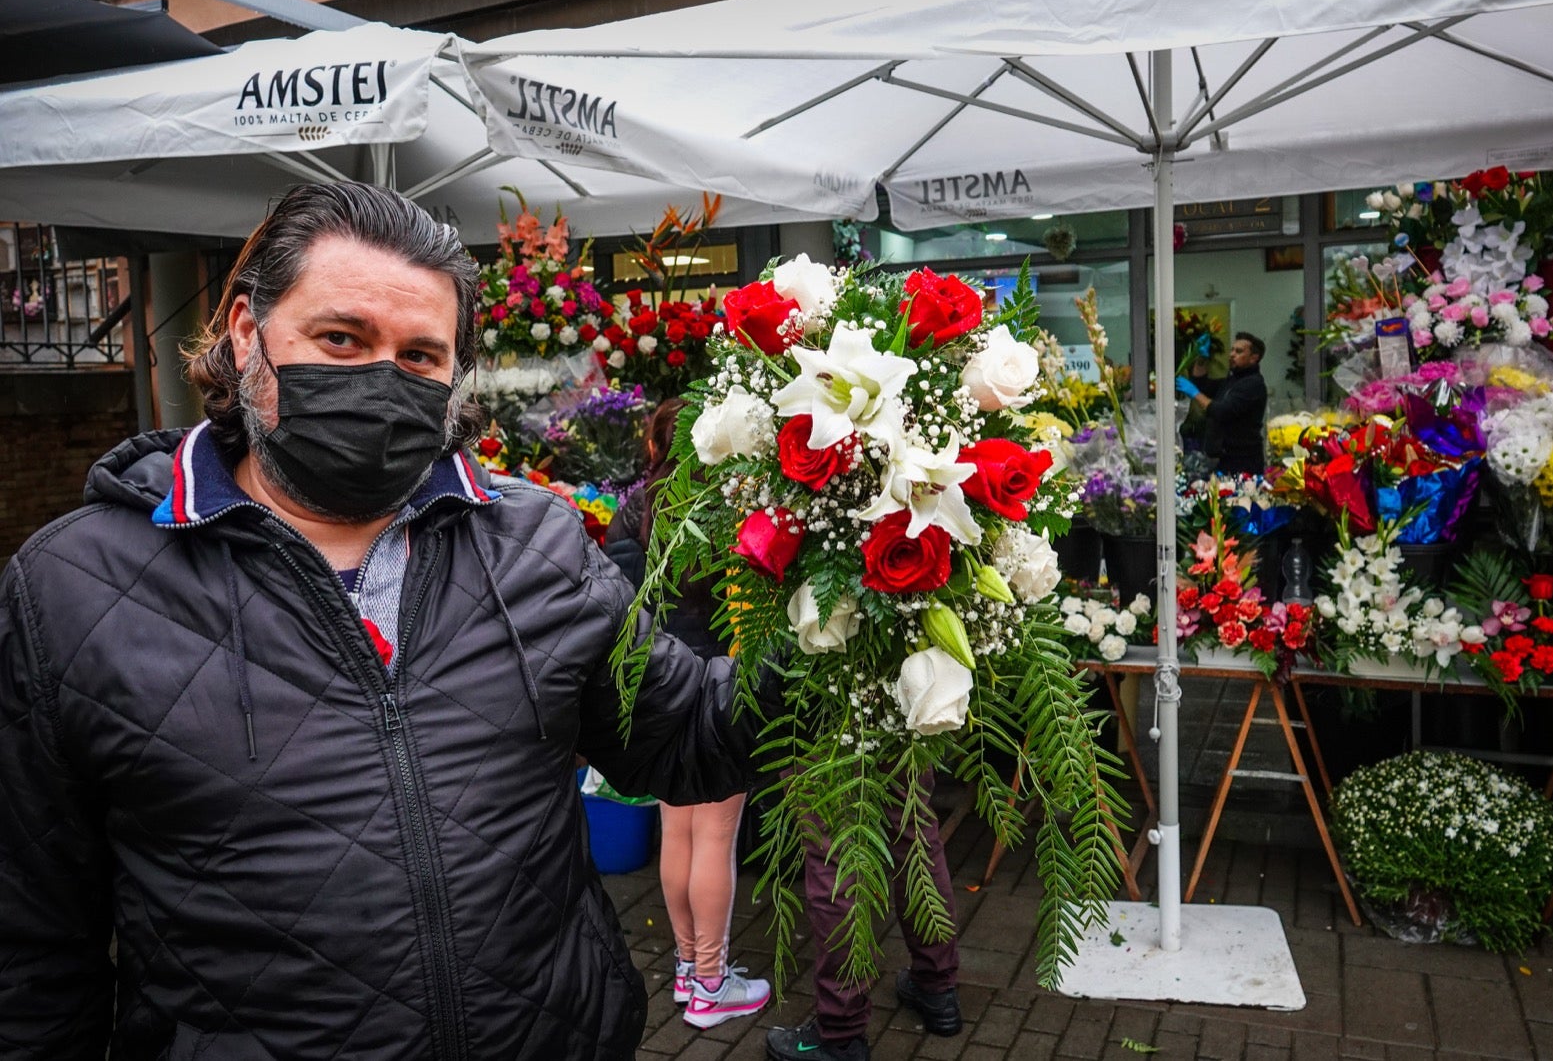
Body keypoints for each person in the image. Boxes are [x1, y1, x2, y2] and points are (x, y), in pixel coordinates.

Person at [0, 183, 753, 1061]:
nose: (382, 379)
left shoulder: (538, 542)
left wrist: (851, 631)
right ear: (247, 331)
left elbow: (687, 734)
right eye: (342, 339)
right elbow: (32, 952)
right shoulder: (70, 592)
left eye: (421, 356)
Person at [604, 399, 770, 1030]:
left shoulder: (637, 509)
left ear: (657, 446)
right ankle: (710, 983)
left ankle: (685, 967)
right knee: (716, 839)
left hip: (660, 686)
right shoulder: (734, 510)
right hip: (723, 687)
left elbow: (619, 604)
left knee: (678, 831)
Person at [765, 775, 962, 1061]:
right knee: (913, 828)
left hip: (818, 733)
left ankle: (840, 1031)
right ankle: (937, 986)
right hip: (900, 730)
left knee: (831, 848)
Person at [1176, 330, 1268, 474]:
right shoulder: (1233, 380)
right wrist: (1201, 358)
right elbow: (1202, 385)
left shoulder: (1253, 384)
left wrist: (1194, 393)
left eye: (1239, 351)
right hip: (1224, 458)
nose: (1232, 355)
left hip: (1243, 462)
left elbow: (1221, 411)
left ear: (1253, 358)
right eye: (1232, 350)